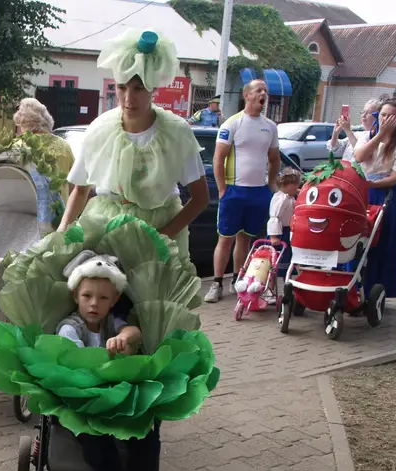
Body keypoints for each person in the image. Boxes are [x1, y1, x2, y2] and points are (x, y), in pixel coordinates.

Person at [58, 29, 209, 275]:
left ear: (153, 88)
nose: (128, 97)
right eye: (121, 87)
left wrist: (161, 237)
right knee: (100, 304)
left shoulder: (176, 132)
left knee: (150, 308)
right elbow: (80, 189)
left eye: (138, 88)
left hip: (159, 229)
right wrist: (62, 229)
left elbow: (200, 198)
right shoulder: (100, 129)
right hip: (105, 227)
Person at [54, 252, 158, 471]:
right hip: (84, 407)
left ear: (113, 301)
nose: (93, 304)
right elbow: (70, 358)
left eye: (102, 298)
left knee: (147, 434)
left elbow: (135, 333)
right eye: (87, 296)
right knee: (102, 453)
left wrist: (124, 337)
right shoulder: (70, 328)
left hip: (115, 402)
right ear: (76, 296)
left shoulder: (114, 323)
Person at [205, 79, 281, 303]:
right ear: (246, 95)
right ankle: (217, 283)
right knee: (225, 239)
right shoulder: (232, 124)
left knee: (246, 240)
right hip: (234, 191)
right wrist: (222, 189)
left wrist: (270, 185)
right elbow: (219, 158)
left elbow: (274, 159)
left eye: (265, 91)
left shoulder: (270, 126)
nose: (263, 94)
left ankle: (239, 281)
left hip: (258, 192)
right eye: (259, 90)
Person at [350, 97, 396, 299]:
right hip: (363, 190)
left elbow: (395, 177)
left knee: (380, 242)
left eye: (391, 116)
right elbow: (359, 157)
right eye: (383, 115)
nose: (385, 119)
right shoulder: (367, 136)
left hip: (385, 193)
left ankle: (374, 290)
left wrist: (373, 184)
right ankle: (351, 287)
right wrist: (379, 135)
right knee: (356, 240)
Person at [13, 97, 75, 202]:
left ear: (24, 124)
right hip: (59, 212)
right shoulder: (64, 147)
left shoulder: (17, 147)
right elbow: (74, 184)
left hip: (27, 210)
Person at [266, 167, 303, 301]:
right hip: (280, 233)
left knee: (288, 261)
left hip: (289, 232)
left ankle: (288, 286)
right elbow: (274, 217)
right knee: (276, 264)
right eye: (296, 185)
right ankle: (270, 289)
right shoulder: (280, 199)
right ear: (287, 186)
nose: (298, 187)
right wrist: (274, 236)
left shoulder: (290, 196)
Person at [327, 98, 384, 163]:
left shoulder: (379, 136)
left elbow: (361, 154)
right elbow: (334, 147)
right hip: (346, 171)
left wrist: (348, 130)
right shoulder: (357, 134)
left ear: (378, 116)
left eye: (368, 113)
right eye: (363, 112)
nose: (363, 115)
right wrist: (336, 132)